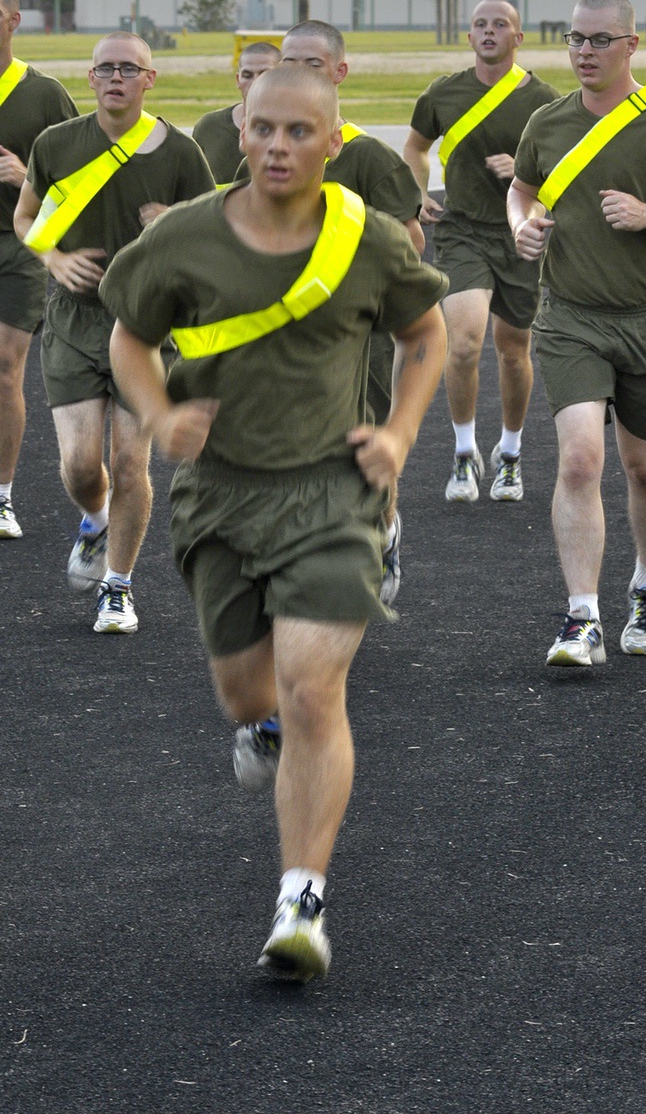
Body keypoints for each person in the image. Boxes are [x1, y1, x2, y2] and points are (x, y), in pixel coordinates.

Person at [104, 64, 448, 980]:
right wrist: (158, 415)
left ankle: (302, 901)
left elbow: (424, 333)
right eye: (262, 129)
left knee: (309, 689)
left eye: (299, 131)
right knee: (248, 697)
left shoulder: (367, 239)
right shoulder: (184, 237)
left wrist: (400, 433)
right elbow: (129, 338)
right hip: (218, 497)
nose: (277, 147)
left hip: (333, 493)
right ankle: (259, 731)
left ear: (334, 141)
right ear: (239, 131)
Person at [227, 19, 429, 794]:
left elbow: (409, 245)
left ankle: (379, 536)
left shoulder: (370, 159)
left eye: (313, 63)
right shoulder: (252, 148)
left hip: (350, 346)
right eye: (288, 62)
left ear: (339, 73)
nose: (298, 72)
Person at [506, 0, 646, 666]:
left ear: (630, 45)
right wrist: (521, 226)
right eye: (574, 39)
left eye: (599, 40)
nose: (584, 52)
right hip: (569, 317)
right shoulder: (547, 122)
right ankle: (581, 617)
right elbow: (521, 189)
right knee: (579, 459)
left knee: (645, 466)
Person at [14, 31, 214, 633]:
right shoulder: (56, 144)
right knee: (80, 467)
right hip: (74, 321)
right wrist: (53, 259)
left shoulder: (181, 153)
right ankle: (96, 521)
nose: (116, 77)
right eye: (105, 68)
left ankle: (118, 587)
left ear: (150, 79)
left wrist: (173, 223)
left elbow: (215, 236)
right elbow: (26, 217)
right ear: (91, 77)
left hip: (147, 325)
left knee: (130, 463)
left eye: (129, 68)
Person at [403, 0, 560, 503]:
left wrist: (524, 170)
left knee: (513, 350)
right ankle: (464, 451)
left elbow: (562, 171)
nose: (489, 31)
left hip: (520, 235)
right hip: (462, 231)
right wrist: (416, 193)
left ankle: (509, 453)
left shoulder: (544, 100)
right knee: (465, 343)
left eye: (500, 25)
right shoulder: (443, 93)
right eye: (480, 25)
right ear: (469, 37)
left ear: (519, 38)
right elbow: (416, 147)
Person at [0, 0, 78, 541]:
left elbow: (80, 186)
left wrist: (25, 175)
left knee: (6, 367)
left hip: (18, 244)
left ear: (14, 20)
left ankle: (1, 497)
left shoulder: (45, 95)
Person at [192, 41, 280, 184]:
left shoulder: (295, 131)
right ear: (238, 80)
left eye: (264, 74)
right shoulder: (208, 128)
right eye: (247, 75)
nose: (255, 82)